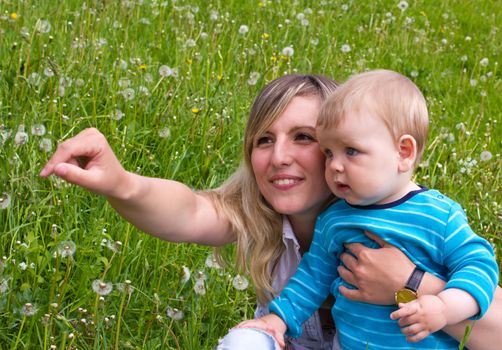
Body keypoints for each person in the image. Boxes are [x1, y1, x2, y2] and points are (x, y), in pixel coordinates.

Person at [39, 74, 502, 350]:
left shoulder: (416, 216)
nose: (279, 156)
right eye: (264, 139)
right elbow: (186, 211)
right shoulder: (262, 218)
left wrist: (409, 284)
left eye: (304, 138)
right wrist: (121, 182)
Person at [235, 70, 499, 349]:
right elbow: (311, 279)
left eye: (350, 151)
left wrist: (445, 307)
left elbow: (479, 267)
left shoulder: (438, 215)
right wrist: (278, 320)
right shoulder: (335, 219)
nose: (335, 165)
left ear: (404, 152)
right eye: (328, 153)